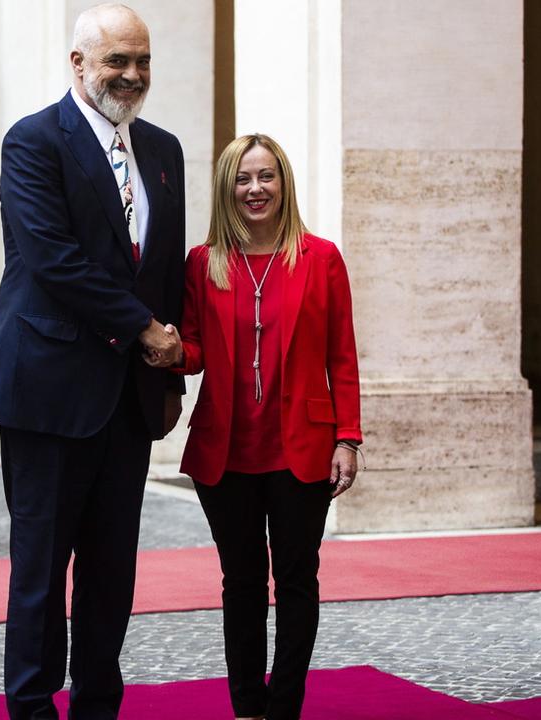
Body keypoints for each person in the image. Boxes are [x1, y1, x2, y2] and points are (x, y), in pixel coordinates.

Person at [0, 4, 186, 717]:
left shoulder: (163, 151)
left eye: (142, 62)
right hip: (48, 393)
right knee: (39, 571)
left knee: (110, 573)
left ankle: (99, 706)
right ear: (79, 65)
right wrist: (146, 330)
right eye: (116, 62)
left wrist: (172, 361)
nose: (130, 76)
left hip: (127, 398)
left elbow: (163, 271)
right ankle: (32, 709)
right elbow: (53, 260)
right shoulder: (33, 142)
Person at [163, 133, 362, 720]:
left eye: (266, 177)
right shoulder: (202, 263)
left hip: (302, 446)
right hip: (226, 449)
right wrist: (170, 351)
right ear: (228, 188)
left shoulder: (320, 258)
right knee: (242, 581)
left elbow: (342, 356)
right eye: (243, 179)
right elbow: (194, 349)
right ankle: (248, 706)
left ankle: (285, 707)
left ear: (284, 184)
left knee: (298, 579)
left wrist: (348, 436)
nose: (255, 189)